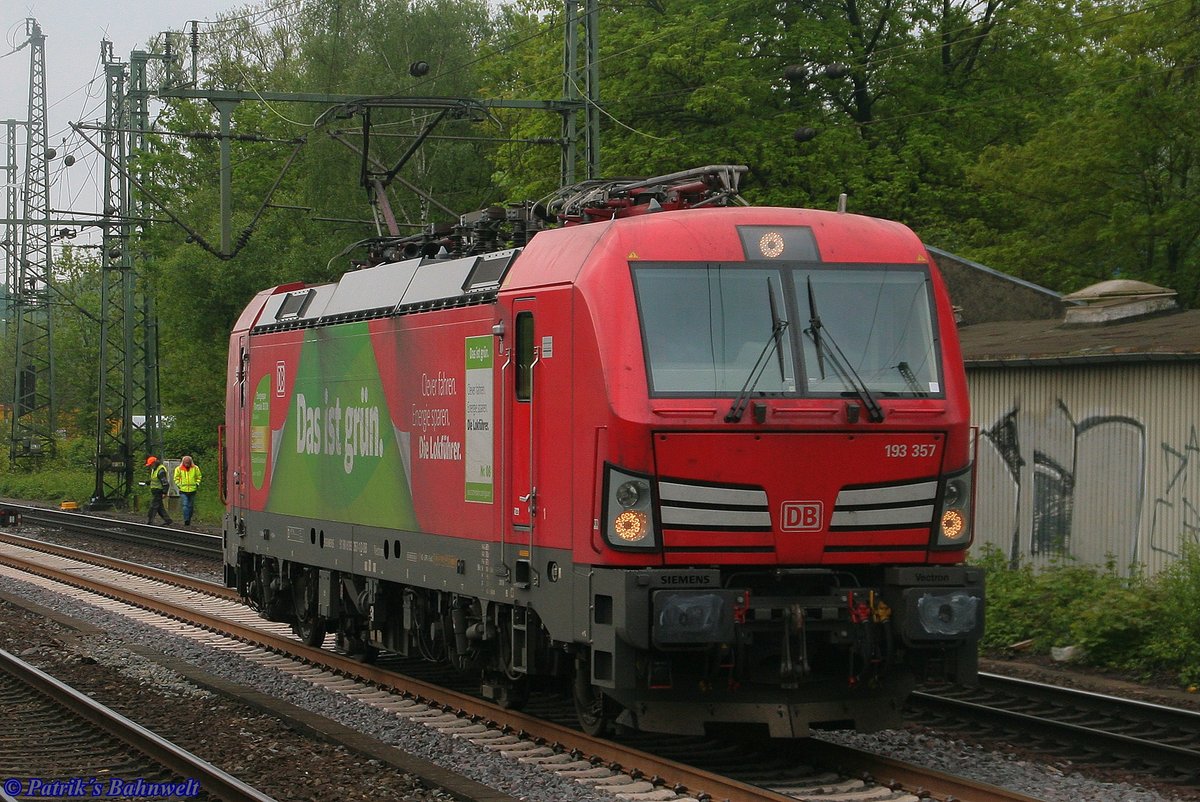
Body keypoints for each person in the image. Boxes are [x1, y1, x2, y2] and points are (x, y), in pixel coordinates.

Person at [173, 455, 202, 526]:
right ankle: (186, 520)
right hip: (183, 490)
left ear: (190, 462)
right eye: (185, 462)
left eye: (188, 462)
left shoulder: (195, 468)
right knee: (185, 505)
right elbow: (176, 478)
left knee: (191, 506)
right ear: (183, 462)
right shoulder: (179, 469)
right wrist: (179, 485)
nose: (187, 464)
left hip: (193, 490)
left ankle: (189, 518)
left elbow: (199, 477)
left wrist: (197, 484)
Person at [145, 455, 173, 525]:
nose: (150, 466)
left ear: (154, 463)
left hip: (158, 491)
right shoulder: (154, 469)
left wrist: (164, 492)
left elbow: (165, 482)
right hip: (155, 491)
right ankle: (168, 520)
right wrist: (147, 482)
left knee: (153, 506)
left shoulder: (161, 471)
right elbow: (155, 480)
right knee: (160, 507)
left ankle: (150, 521)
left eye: (150, 465)